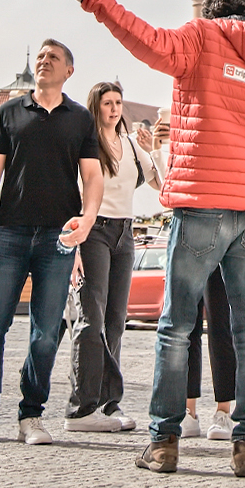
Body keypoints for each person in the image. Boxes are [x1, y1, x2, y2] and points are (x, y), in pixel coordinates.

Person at [54, 0, 245, 478]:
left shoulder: (201, 37)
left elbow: (146, 41)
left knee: (177, 326)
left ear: (213, 12)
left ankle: (165, 441)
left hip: (202, 200)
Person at [0, 40, 104, 450]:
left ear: (69, 71)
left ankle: (31, 414)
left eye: (53, 58)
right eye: (41, 57)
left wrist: (88, 219)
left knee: (45, 333)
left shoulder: (79, 118)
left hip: (57, 238)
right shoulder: (9, 111)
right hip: (9, 232)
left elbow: (93, 177)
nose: (44, 62)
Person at [65, 82, 159, 432]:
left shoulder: (132, 145)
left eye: (118, 102)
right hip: (93, 231)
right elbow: (72, 194)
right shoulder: (86, 143)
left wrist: (155, 149)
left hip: (125, 232)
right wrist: (72, 244)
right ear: (96, 106)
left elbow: (160, 183)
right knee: (91, 318)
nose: (115, 108)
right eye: (107, 103)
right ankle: (81, 407)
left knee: (116, 320)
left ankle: (108, 404)